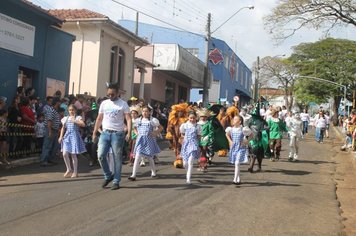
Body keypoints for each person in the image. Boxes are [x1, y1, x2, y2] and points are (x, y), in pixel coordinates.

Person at [92, 83, 131, 190]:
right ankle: (108, 175)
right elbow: (99, 119)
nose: (110, 96)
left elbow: (128, 119)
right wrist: (94, 132)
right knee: (100, 155)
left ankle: (116, 181)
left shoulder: (123, 104)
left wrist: (128, 132)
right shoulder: (104, 103)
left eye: (112, 94)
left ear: (118, 93)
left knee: (117, 158)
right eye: (108, 94)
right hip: (105, 133)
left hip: (117, 134)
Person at [128, 106, 162, 181]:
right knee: (137, 156)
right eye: (143, 111)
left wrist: (155, 132)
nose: (145, 113)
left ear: (149, 112)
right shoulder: (138, 120)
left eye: (146, 111)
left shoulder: (153, 120)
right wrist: (137, 134)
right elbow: (134, 128)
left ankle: (153, 172)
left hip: (149, 140)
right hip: (140, 140)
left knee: (150, 157)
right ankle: (133, 175)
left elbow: (160, 128)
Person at [58, 105, 86, 178]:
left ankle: (75, 172)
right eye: (70, 110)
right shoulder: (65, 118)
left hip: (74, 136)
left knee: (73, 155)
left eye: (73, 110)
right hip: (67, 136)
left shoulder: (78, 117)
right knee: (64, 154)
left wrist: (75, 121)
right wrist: (61, 136)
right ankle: (69, 169)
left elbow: (83, 124)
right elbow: (63, 128)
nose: (71, 111)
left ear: (75, 110)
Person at [226, 115, 251, 185]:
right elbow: (227, 134)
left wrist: (246, 141)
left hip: (241, 148)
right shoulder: (231, 129)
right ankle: (239, 179)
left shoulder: (243, 129)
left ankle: (234, 179)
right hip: (234, 148)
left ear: (239, 122)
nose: (233, 120)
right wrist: (230, 141)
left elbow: (251, 135)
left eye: (235, 119)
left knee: (237, 163)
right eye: (233, 119)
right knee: (237, 164)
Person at [179, 111, 201, 184]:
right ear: (188, 118)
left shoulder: (198, 126)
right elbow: (182, 134)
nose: (192, 119)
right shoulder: (184, 125)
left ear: (196, 118)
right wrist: (184, 139)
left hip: (194, 144)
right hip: (186, 144)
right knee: (185, 163)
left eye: (193, 118)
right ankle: (187, 173)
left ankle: (188, 178)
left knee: (190, 161)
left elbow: (199, 136)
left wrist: (198, 145)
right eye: (191, 118)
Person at [40, 97, 61, 166]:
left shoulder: (55, 111)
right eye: (59, 102)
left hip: (54, 130)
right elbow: (49, 122)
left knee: (54, 146)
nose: (60, 103)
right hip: (50, 130)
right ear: (57, 103)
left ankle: (50, 159)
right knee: (47, 145)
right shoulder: (51, 111)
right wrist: (50, 132)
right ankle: (44, 160)